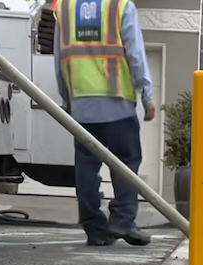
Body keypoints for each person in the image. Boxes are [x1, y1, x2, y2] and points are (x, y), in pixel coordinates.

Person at [55, 0, 156, 246]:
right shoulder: (120, 5)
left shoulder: (64, 7)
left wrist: (67, 99)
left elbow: (60, 58)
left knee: (86, 168)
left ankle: (94, 229)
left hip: (81, 103)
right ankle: (122, 220)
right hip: (117, 99)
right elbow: (135, 52)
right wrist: (147, 95)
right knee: (127, 162)